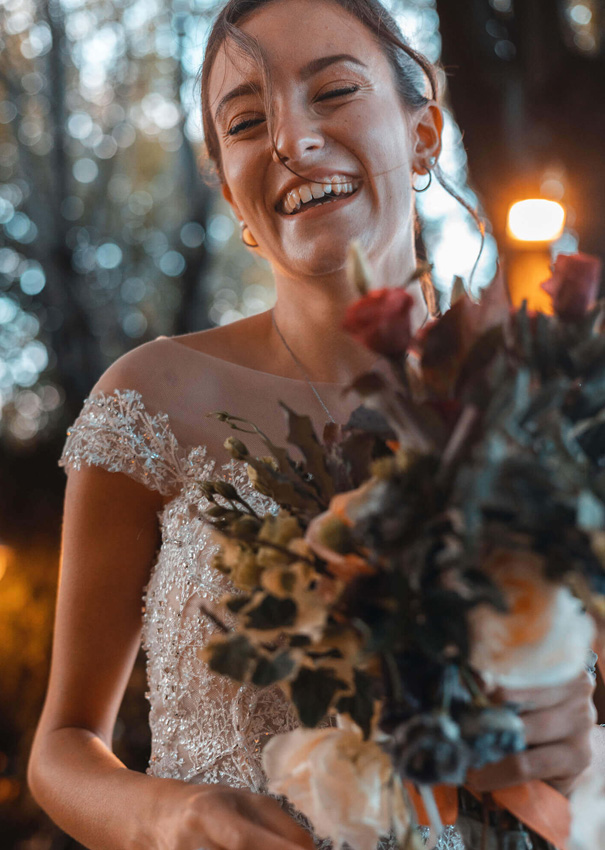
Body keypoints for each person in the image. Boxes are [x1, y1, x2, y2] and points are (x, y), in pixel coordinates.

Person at [28, 1, 603, 848]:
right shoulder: (152, 399)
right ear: (227, 184)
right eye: (248, 121)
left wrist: (573, 738)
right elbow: (61, 745)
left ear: (423, 135)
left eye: (332, 92)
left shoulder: (550, 404)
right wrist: (170, 814)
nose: (291, 140)